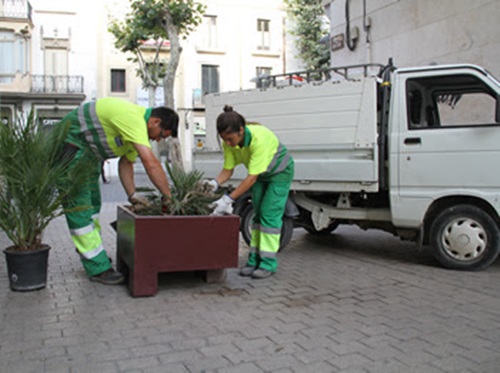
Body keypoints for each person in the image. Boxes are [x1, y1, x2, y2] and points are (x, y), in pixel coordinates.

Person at [58, 97, 179, 285]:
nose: (158, 139)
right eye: (161, 135)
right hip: (71, 148)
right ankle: (97, 267)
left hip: (88, 156)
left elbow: (126, 163)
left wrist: (133, 195)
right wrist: (168, 197)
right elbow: (150, 162)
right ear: (155, 121)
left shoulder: (136, 132)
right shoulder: (133, 118)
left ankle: (92, 250)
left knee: (94, 205)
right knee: (80, 209)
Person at [208, 105, 294, 279]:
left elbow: (251, 178)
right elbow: (228, 170)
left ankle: (268, 263)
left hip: (280, 173)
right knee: (257, 215)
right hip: (261, 174)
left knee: (269, 216)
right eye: (225, 140)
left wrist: (227, 199)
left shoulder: (258, 139)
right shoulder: (229, 143)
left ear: (241, 130)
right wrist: (213, 184)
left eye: (231, 139)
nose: (229, 143)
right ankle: (253, 260)